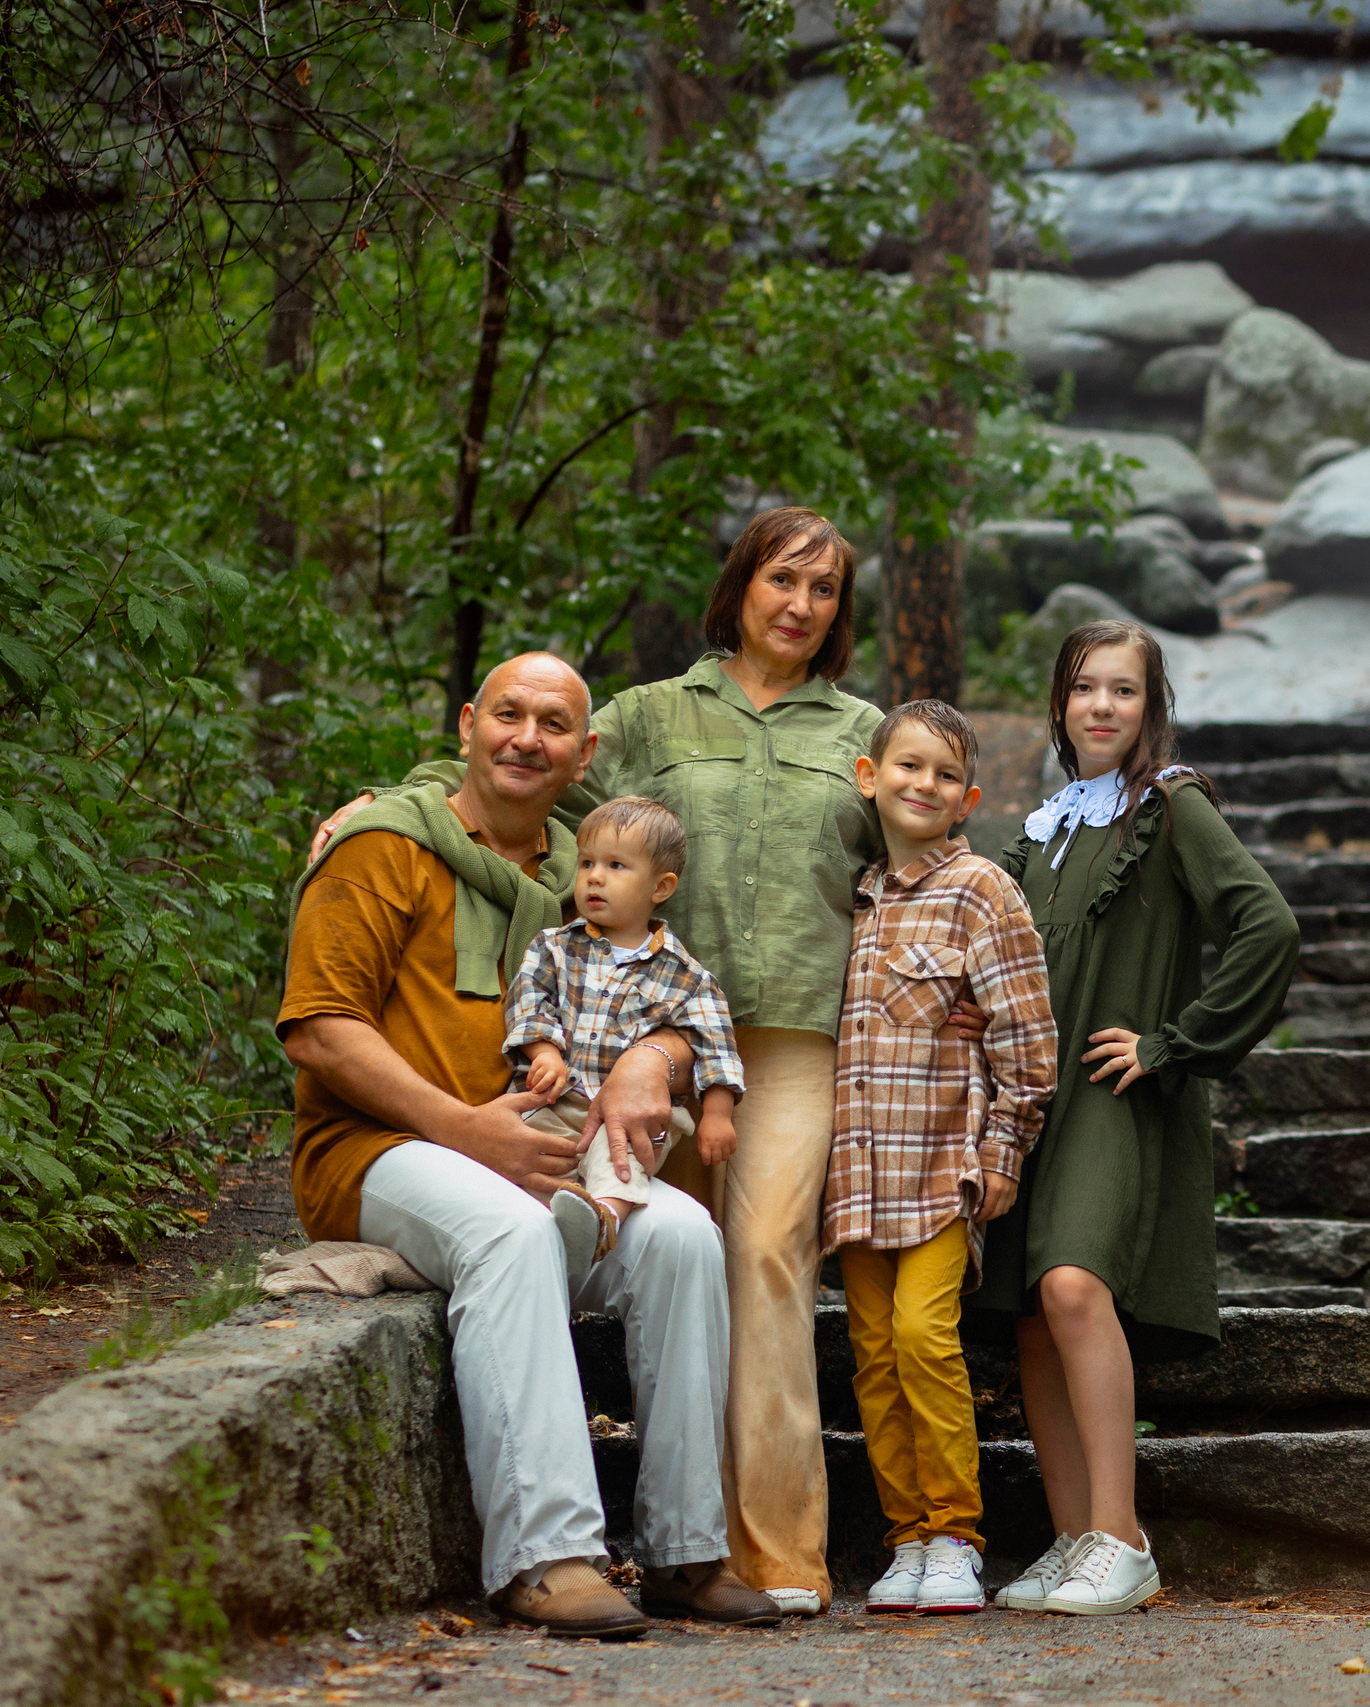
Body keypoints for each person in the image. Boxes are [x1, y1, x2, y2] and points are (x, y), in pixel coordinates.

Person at [307, 510, 981, 1612]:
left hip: (803, 1037)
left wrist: (959, 1004)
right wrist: (404, 795)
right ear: (741, 586)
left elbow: (928, 846)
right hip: (651, 1035)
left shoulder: (859, 729)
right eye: (781, 580)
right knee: (671, 1247)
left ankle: (771, 1554)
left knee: (763, 1257)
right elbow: (532, 757)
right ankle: (649, 1539)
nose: (798, 605)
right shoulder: (658, 714)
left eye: (822, 591)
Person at [279, 653, 778, 1635]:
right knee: (508, 1230)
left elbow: (669, 993)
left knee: (681, 1236)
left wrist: (659, 1057)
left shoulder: (579, 870)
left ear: (582, 752)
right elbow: (319, 1028)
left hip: (538, 1147)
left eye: (554, 725)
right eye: (508, 714)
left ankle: (684, 1549)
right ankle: (545, 1554)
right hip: (379, 1150)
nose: (526, 738)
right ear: (467, 723)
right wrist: (465, 1129)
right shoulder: (382, 845)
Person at [970, 622, 1301, 1616]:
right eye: (1083, 689)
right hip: (1034, 1099)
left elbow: (1267, 925)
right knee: (1031, 1317)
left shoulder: (1171, 805)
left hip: (1115, 1094)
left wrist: (1172, 1042)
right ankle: (1074, 1542)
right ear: (1060, 705)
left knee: (1072, 1286)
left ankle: (1121, 1536)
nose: (1102, 706)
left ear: (1150, 706)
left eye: (1123, 690)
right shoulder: (1049, 828)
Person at [823, 700, 1058, 1617]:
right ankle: (906, 1536)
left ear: (969, 797)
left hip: (938, 1165)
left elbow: (1027, 1035)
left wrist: (1005, 1149)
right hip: (857, 1172)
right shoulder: (855, 897)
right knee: (873, 1353)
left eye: (944, 775)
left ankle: (957, 1534)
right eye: (906, 766)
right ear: (868, 776)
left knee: (925, 1338)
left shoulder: (984, 889)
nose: (923, 784)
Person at [505, 795, 746, 1268]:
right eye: (587, 862)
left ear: (661, 886)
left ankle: (603, 1221)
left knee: (624, 1158)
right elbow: (529, 1001)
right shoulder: (554, 947)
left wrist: (718, 1116)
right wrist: (545, 1052)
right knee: (524, 1150)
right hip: (556, 1097)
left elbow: (716, 1047)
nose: (595, 876)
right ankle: (529, 1226)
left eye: (616, 865)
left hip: (632, 1115)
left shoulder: (687, 976)